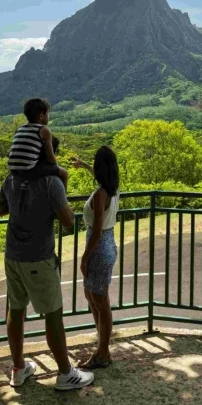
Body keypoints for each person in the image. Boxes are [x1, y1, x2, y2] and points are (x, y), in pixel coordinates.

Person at [0, 170, 94, 391]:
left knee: (16, 309)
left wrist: (21, 206)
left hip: (12, 255)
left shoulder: (12, 177)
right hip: (39, 258)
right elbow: (68, 221)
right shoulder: (49, 181)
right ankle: (66, 373)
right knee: (53, 314)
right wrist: (61, 182)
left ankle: (18, 369)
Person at [73, 146, 120, 368]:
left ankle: (102, 353)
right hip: (107, 245)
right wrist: (84, 165)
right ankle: (103, 349)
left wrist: (84, 258)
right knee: (93, 298)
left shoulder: (101, 194)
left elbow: (98, 229)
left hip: (98, 248)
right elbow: (99, 175)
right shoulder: (112, 188)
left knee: (101, 303)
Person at [8, 97, 68, 190]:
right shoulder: (43, 130)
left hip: (13, 169)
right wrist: (55, 168)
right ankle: (63, 198)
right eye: (47, 114)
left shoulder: (20, 129)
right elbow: (51, 157)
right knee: (64, 173)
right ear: (41, 116)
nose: (48, 117)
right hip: (30, 170)